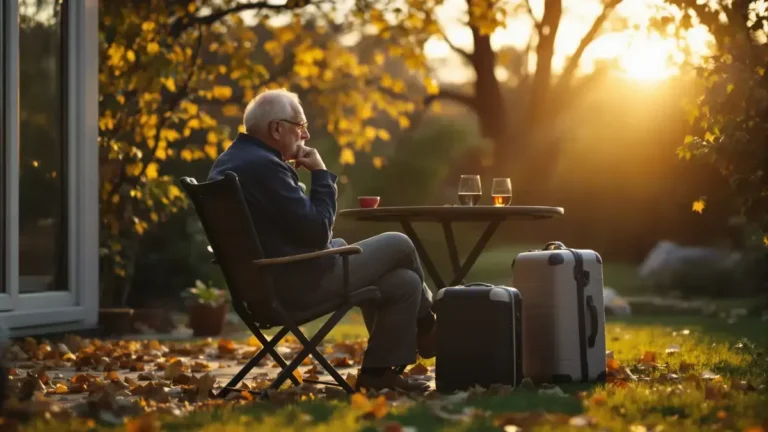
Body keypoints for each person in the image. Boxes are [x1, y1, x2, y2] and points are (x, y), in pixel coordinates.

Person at [207, 88, 437, 392]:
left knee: (403, 282)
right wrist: (321, 174)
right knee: (399, 243)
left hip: (267, 286)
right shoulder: (265, 167)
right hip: (298, 286)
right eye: (300, 126)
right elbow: (317, 233)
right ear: (276, 129)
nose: (307, 134)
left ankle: (378, 374)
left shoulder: (232, 161)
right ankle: (430, 327)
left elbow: (297, 234)